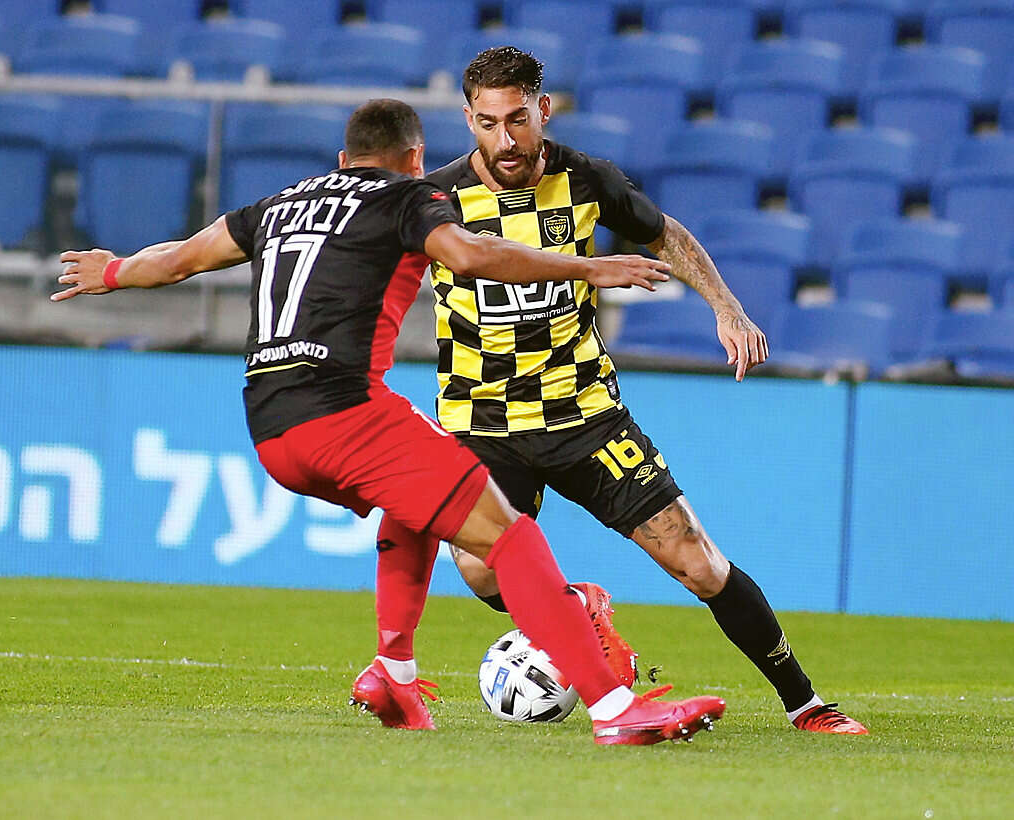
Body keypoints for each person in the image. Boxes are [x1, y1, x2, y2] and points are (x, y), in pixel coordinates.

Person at [51, 98, 726, 745]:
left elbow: (180, 259)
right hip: (344, 411)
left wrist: (112, 272)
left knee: (420, 498)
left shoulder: (278, 204)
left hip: (271, 424)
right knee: (510, 536)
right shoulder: (407, 196)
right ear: (415, 158)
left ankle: (393, 674)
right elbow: (472, 256)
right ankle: (615, 710)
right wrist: (588, 266)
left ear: (344, 160)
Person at [396, 47, 865, 735]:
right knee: (480, 571)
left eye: (518, 120)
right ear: (469, 120)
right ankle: (580, 609)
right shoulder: (435, 200)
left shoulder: (588, 179)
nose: (506, 139)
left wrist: (727, 308)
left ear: (543, 110)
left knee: (696, 560)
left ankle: (806, 703)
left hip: (585, 414)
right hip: (482, 421)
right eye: (489, 123)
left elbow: (665, 235)